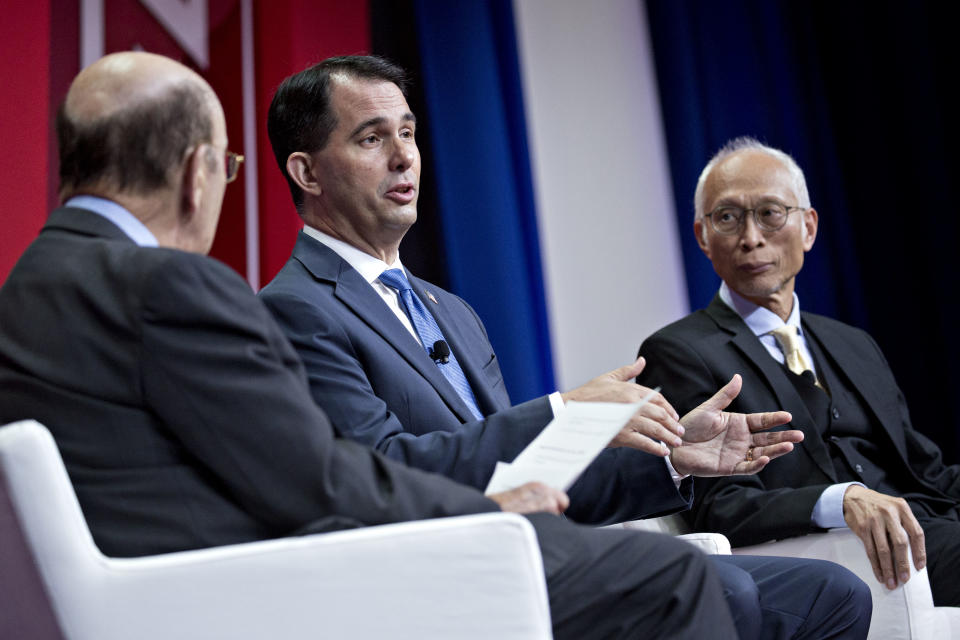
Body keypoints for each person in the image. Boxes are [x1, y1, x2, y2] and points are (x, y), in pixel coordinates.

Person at [0, 51, 739, 640]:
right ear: (198, 174)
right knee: (670, 578)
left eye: (409, 134)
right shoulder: (169, 286)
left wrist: (657, 459)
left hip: (154, 594)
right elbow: (317, 479)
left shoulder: (25, 292)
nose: (404, 157)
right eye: (226, 170)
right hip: (254, 589)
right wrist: (488, 510)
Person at [259, 55, 871, 640]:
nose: (404, 158)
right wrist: (563, 412)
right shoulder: (297, 309)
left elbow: (526, 480)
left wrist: (673, 458)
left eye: (409, 133)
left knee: (832, 593)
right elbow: (384, 473)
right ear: (307, 173)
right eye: (371, 139)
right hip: (444, 569)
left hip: (532, 547)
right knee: (715, 590)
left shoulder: (452, 311)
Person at [637, 136, 960, 606]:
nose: (751, 237)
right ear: (703, 238)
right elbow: (721, 505)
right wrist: (842, 498)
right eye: (727, 217)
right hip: (835, 551)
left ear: (808, 227)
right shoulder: (679, 350)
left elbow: (924, 469)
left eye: (770, 213)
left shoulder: (853, 343)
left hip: (927, 525)